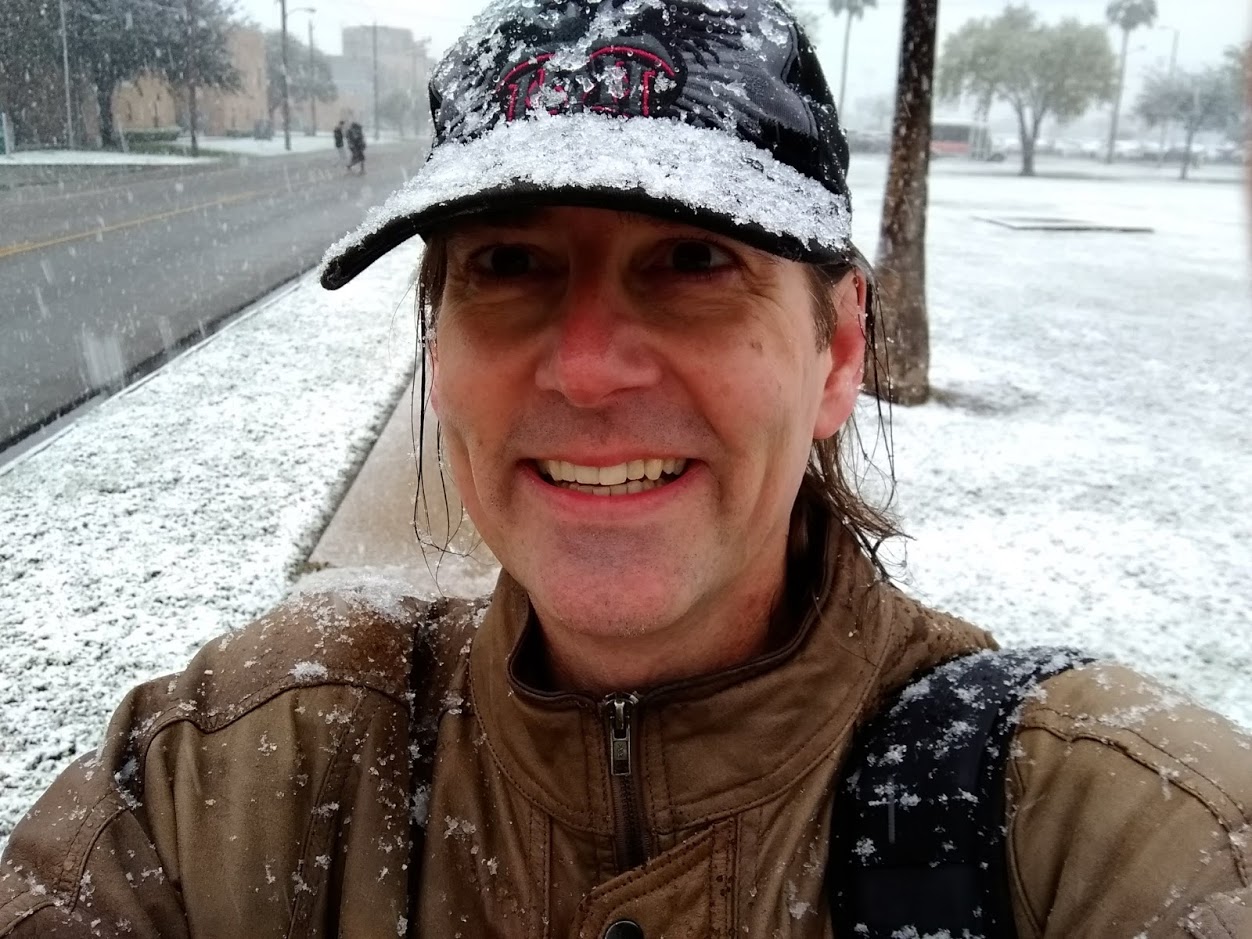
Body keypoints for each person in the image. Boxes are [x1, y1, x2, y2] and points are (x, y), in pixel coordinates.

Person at [2, 0, 1251, 935]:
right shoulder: (240, 770)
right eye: (508, 264)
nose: (589, 368)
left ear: (837, 351)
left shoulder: (1089, 827)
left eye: (694, 260)